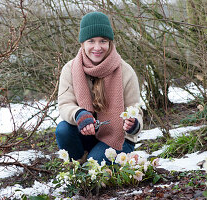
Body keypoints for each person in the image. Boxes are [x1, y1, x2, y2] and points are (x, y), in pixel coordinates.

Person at [55, 12, 143, 165]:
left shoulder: (125, 72)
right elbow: (64, 104)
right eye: (91, 41)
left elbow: (136, 110)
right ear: (83, 43)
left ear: (110, 43)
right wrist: (79, 114)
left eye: (103, 41)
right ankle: (77, 164)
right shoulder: (70, 69)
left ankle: (88, 167)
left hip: (118, 139)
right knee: (63, 130)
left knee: (93, 168)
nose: (97, 47)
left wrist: (134, 124)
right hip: (85, 134)